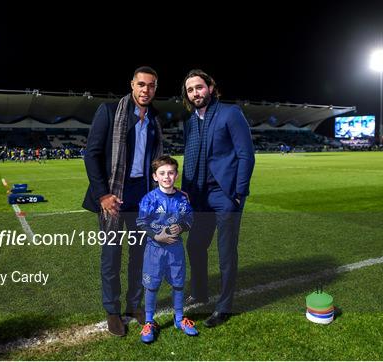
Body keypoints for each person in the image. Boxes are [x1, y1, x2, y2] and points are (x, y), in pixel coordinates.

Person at [82, 66, 164, 336]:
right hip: (114, 196)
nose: (146, 90)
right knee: (112, 256)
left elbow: (156, 161)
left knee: (140, 256)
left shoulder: (155, 118)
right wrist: (103, 194)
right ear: (131, 85)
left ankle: (134, 305)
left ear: (155, 88)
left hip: (143, 196)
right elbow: (91, 154)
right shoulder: (109, 111)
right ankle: (112, 310)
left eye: (151, 86)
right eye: (141, 84)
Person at [181, 69, 255, 327]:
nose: (195, 93)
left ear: (210, 87)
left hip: (225, 195)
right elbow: (187, 160)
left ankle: (223, 307)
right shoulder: (190, 122)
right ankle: (200, 292)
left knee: (225, 253)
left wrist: (238, 194)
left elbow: (246, 155)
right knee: (195, 245)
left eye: (199, 87)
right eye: (190, 90)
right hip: (199, 196)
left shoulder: (230, 113)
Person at [136, 155, 198, 343]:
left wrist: (182, 227)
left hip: (175, 249)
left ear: (176, 175)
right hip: (154, 250)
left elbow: (189, 219)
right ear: (155, 176)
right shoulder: (149, 199)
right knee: (152, 285)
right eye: (162, 173)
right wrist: (156, 235)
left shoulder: (182, 198)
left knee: (178, 283)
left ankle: (179, 319)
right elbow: (141, 222)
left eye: (170, 173)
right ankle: (149, 321)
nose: (166, 177)